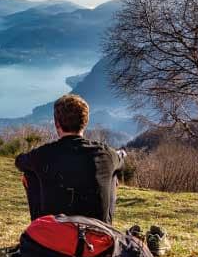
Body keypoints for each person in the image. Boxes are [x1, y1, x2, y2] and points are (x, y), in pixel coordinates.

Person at [15, 94, 124, 224]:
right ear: (85, 121)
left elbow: (19, 161)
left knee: (29, 174)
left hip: (52, 237)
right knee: (113, 174)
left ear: (57, 123)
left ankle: (39, 226)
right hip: (96, 238)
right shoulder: (107, 154)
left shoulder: (43, 154)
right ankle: (106, 226)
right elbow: (121, 160)